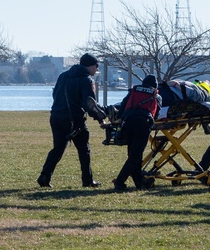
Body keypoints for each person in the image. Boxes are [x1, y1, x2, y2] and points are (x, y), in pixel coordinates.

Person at [37, 53, 108, 188]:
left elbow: (55, 94)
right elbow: (89, 103)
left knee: (58, 148)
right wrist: (100, 119)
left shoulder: (63, 76)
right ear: (92, 65)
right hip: (74, 120)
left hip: (56, 116)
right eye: (96, 66)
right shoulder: (86, 79)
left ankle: (44, 176)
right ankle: (87, 180)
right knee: (84, 150)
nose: (96, 70)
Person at [112, 75, 161, 191]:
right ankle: (119, 182)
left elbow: (123, 106)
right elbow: (157, 113)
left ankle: (140, 183)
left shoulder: (134, 90)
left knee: (134, 155)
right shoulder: (156, 95)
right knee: (135, 156)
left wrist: (118, 118)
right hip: (143, 123)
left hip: (128, 122)